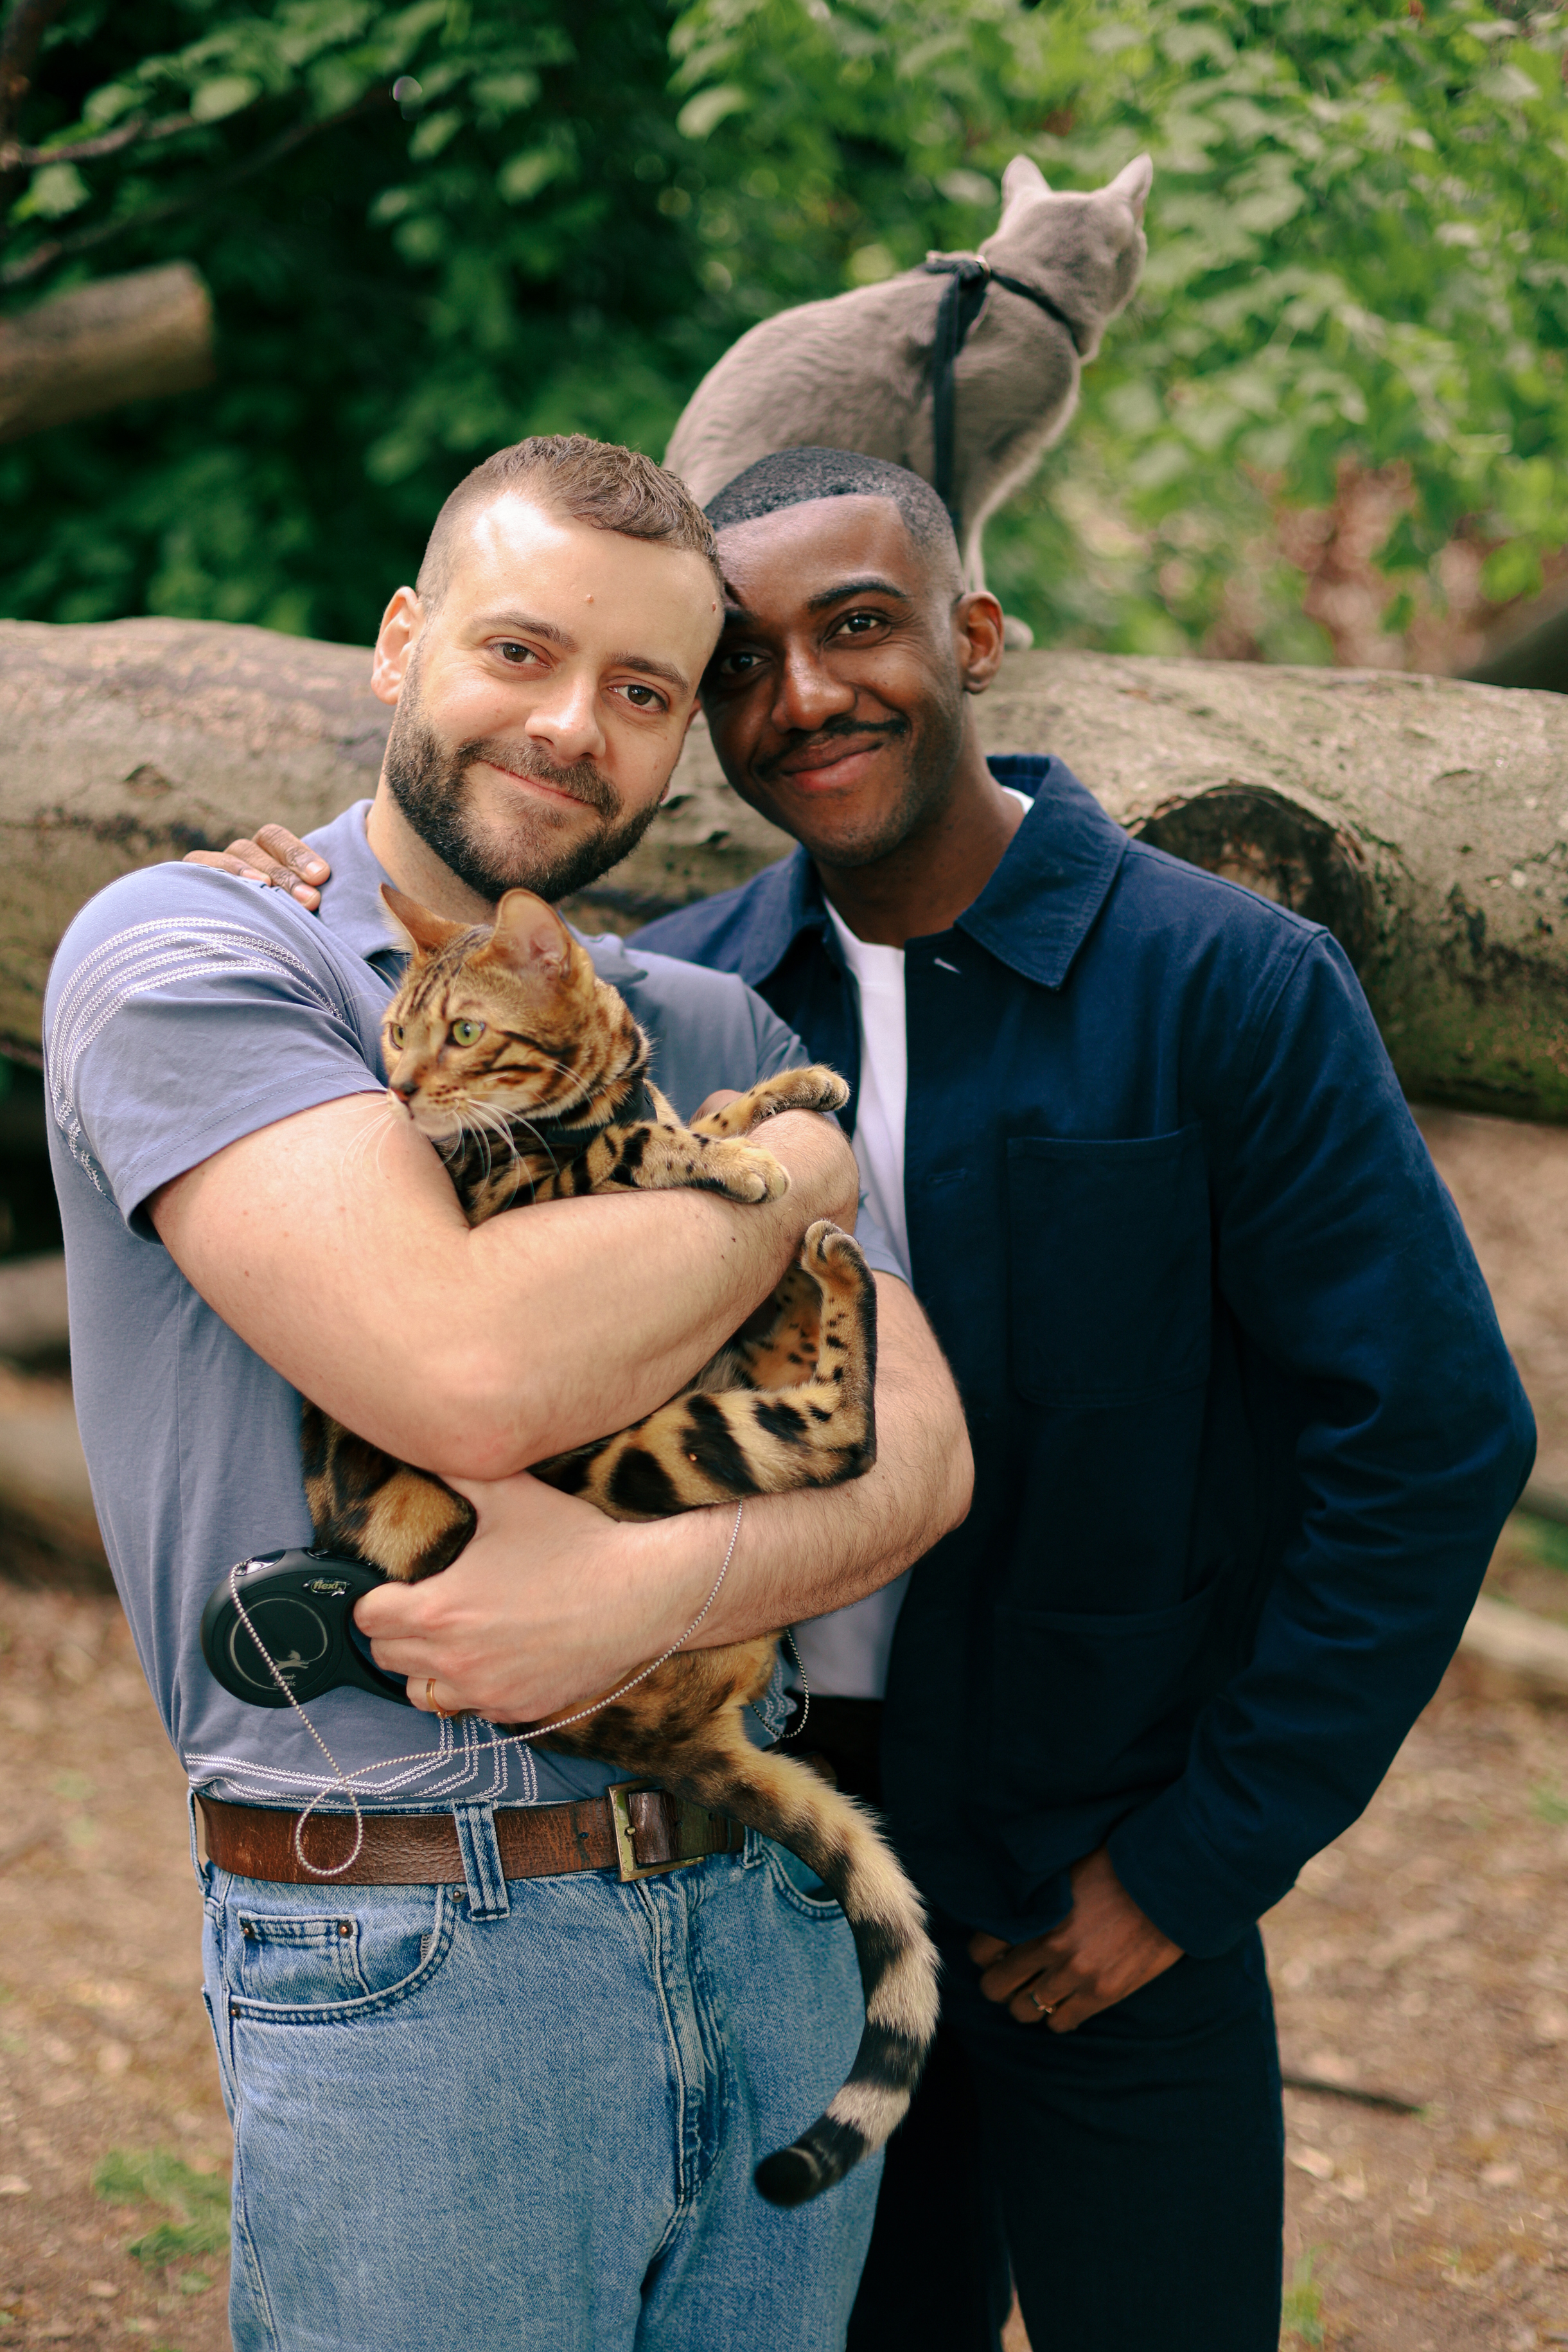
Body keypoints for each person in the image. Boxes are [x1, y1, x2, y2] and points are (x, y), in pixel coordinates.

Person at [231, 446, 1537, 2351]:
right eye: (741, 662)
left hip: (1106, 1880)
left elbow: (1430, 1437)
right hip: (769, 1881)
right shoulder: (684, 999)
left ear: (974, 637)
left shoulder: (1228, 983)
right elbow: (441, 1075)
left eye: (858, 627)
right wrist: (280, 869)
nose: (805, 694)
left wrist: (1201, 1856)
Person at [45, 436, 972, 2352]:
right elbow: (462, 1374)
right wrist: (785, 1180)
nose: (572, 727)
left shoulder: (711, 1021)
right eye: (521, 652)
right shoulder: (202, 949)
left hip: (766, 1908)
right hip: (416, 1944)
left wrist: (652, 1586)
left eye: (641, 690)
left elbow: (928, 1456)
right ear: (400, 643)